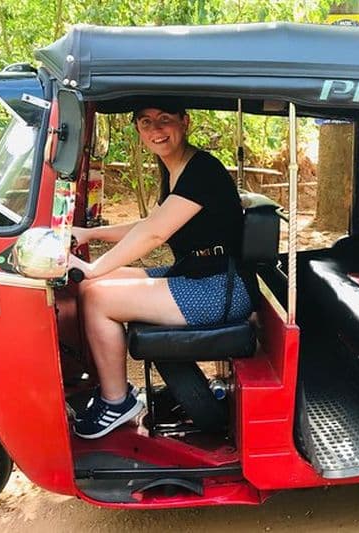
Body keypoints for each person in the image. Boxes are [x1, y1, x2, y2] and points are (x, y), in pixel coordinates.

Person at [68, 104, 253, 439]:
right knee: (90, 288)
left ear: (185, 121)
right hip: (195, 275)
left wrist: (93, 267)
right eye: (146, 122)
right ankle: (110, 385)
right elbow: (149, 224)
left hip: (220, 288)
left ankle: (117, 402)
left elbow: (155, 235)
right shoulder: (174, 170)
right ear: (138, 129)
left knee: (97, 297)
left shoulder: (202, 171)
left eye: (165, 119)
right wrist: (89, 234)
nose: (156, 129)